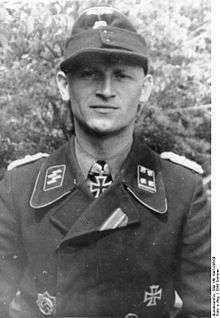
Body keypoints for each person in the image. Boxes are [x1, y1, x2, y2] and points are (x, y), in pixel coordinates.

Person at [0, 6, 210, 318]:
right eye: (89, 74)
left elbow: (209, 307)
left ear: (146, 88)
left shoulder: (182, 189)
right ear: (63, 85)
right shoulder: (21, 186)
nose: (106, 91)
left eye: (122, 76)